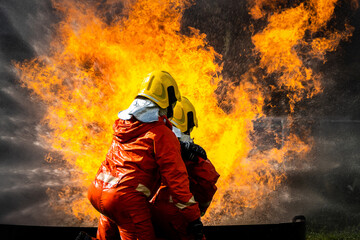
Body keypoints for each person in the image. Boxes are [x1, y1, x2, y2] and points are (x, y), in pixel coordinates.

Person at [87, 71, 202, 240]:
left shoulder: (124, 124)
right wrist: (193, 217)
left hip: (98, 191)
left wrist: (180, 146)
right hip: (125, 200)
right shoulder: (161, 133)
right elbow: (176, 180)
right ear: (167, 101)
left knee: (111, 227)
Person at [150, 96, 220, 240]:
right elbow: (207, 181)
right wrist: (198, 212)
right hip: (179, 218)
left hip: (148, 212)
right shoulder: (192, 156)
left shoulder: (151, 140)